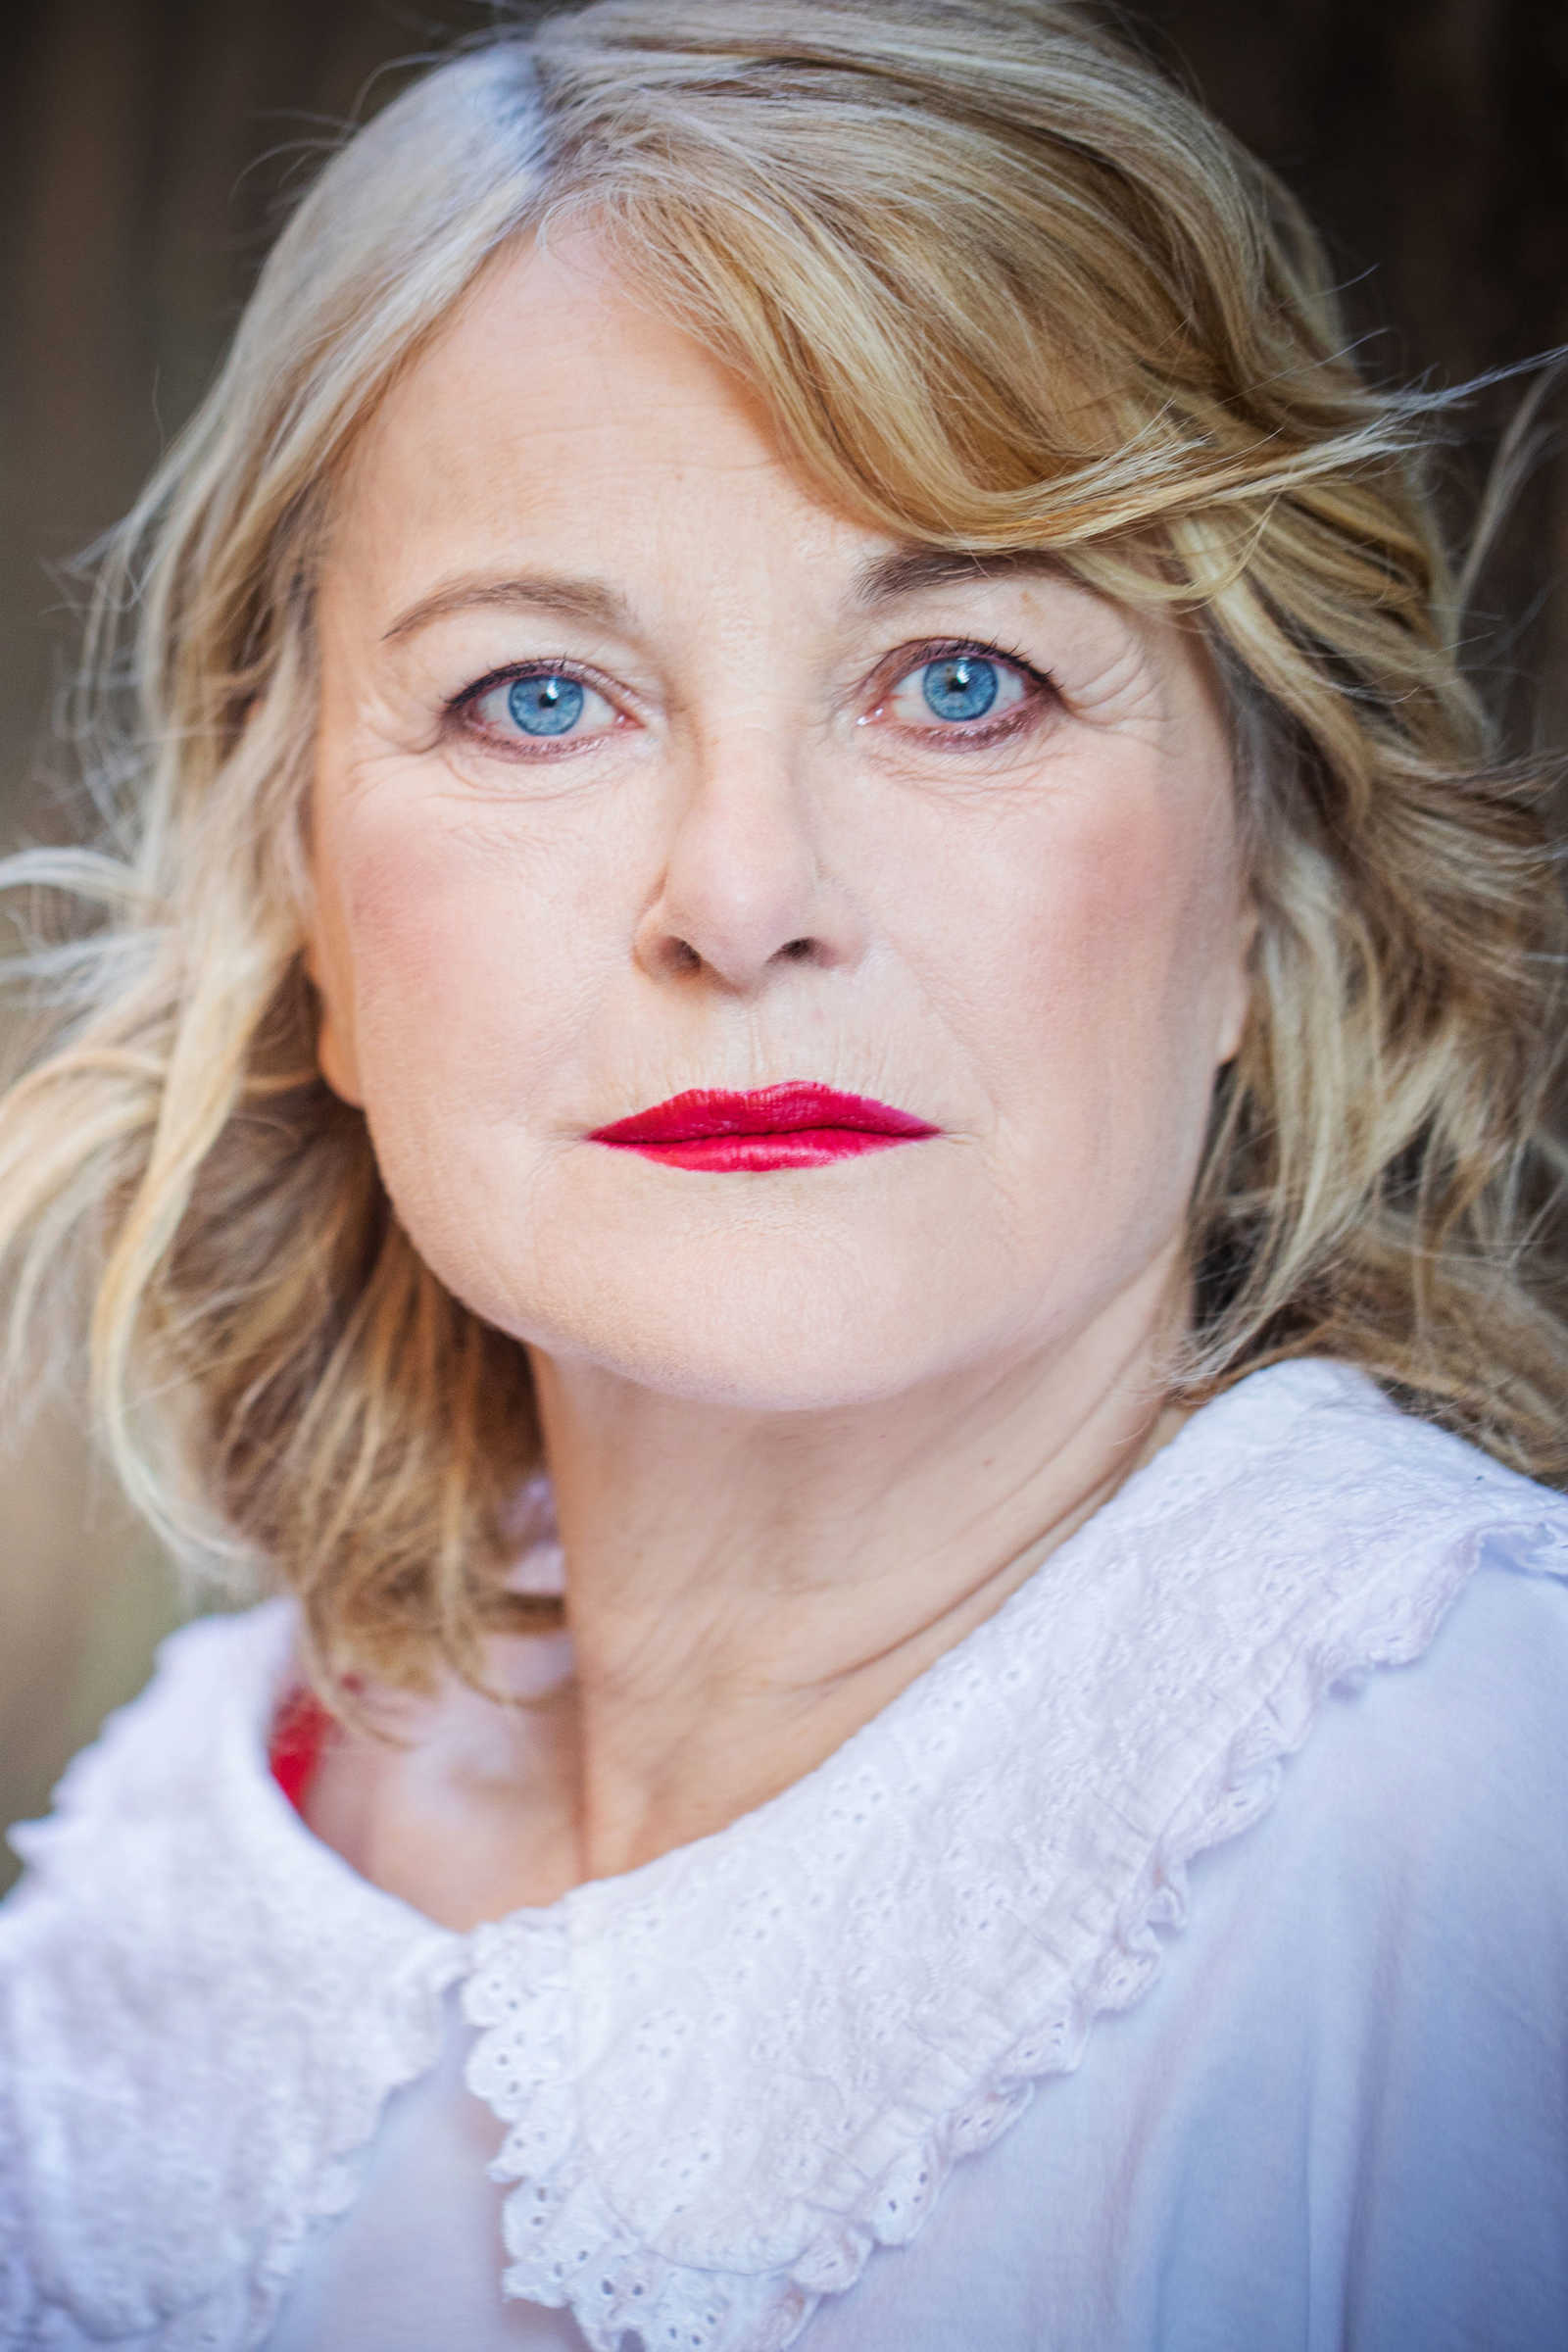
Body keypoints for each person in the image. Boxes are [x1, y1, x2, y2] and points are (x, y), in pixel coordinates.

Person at [2, 0, 1566, 2344]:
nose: (742, 898)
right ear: (306, 907)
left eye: (959, 680)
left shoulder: (1490, 1830)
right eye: (538, 696)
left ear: (1258, 886)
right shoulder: (176, 1887)